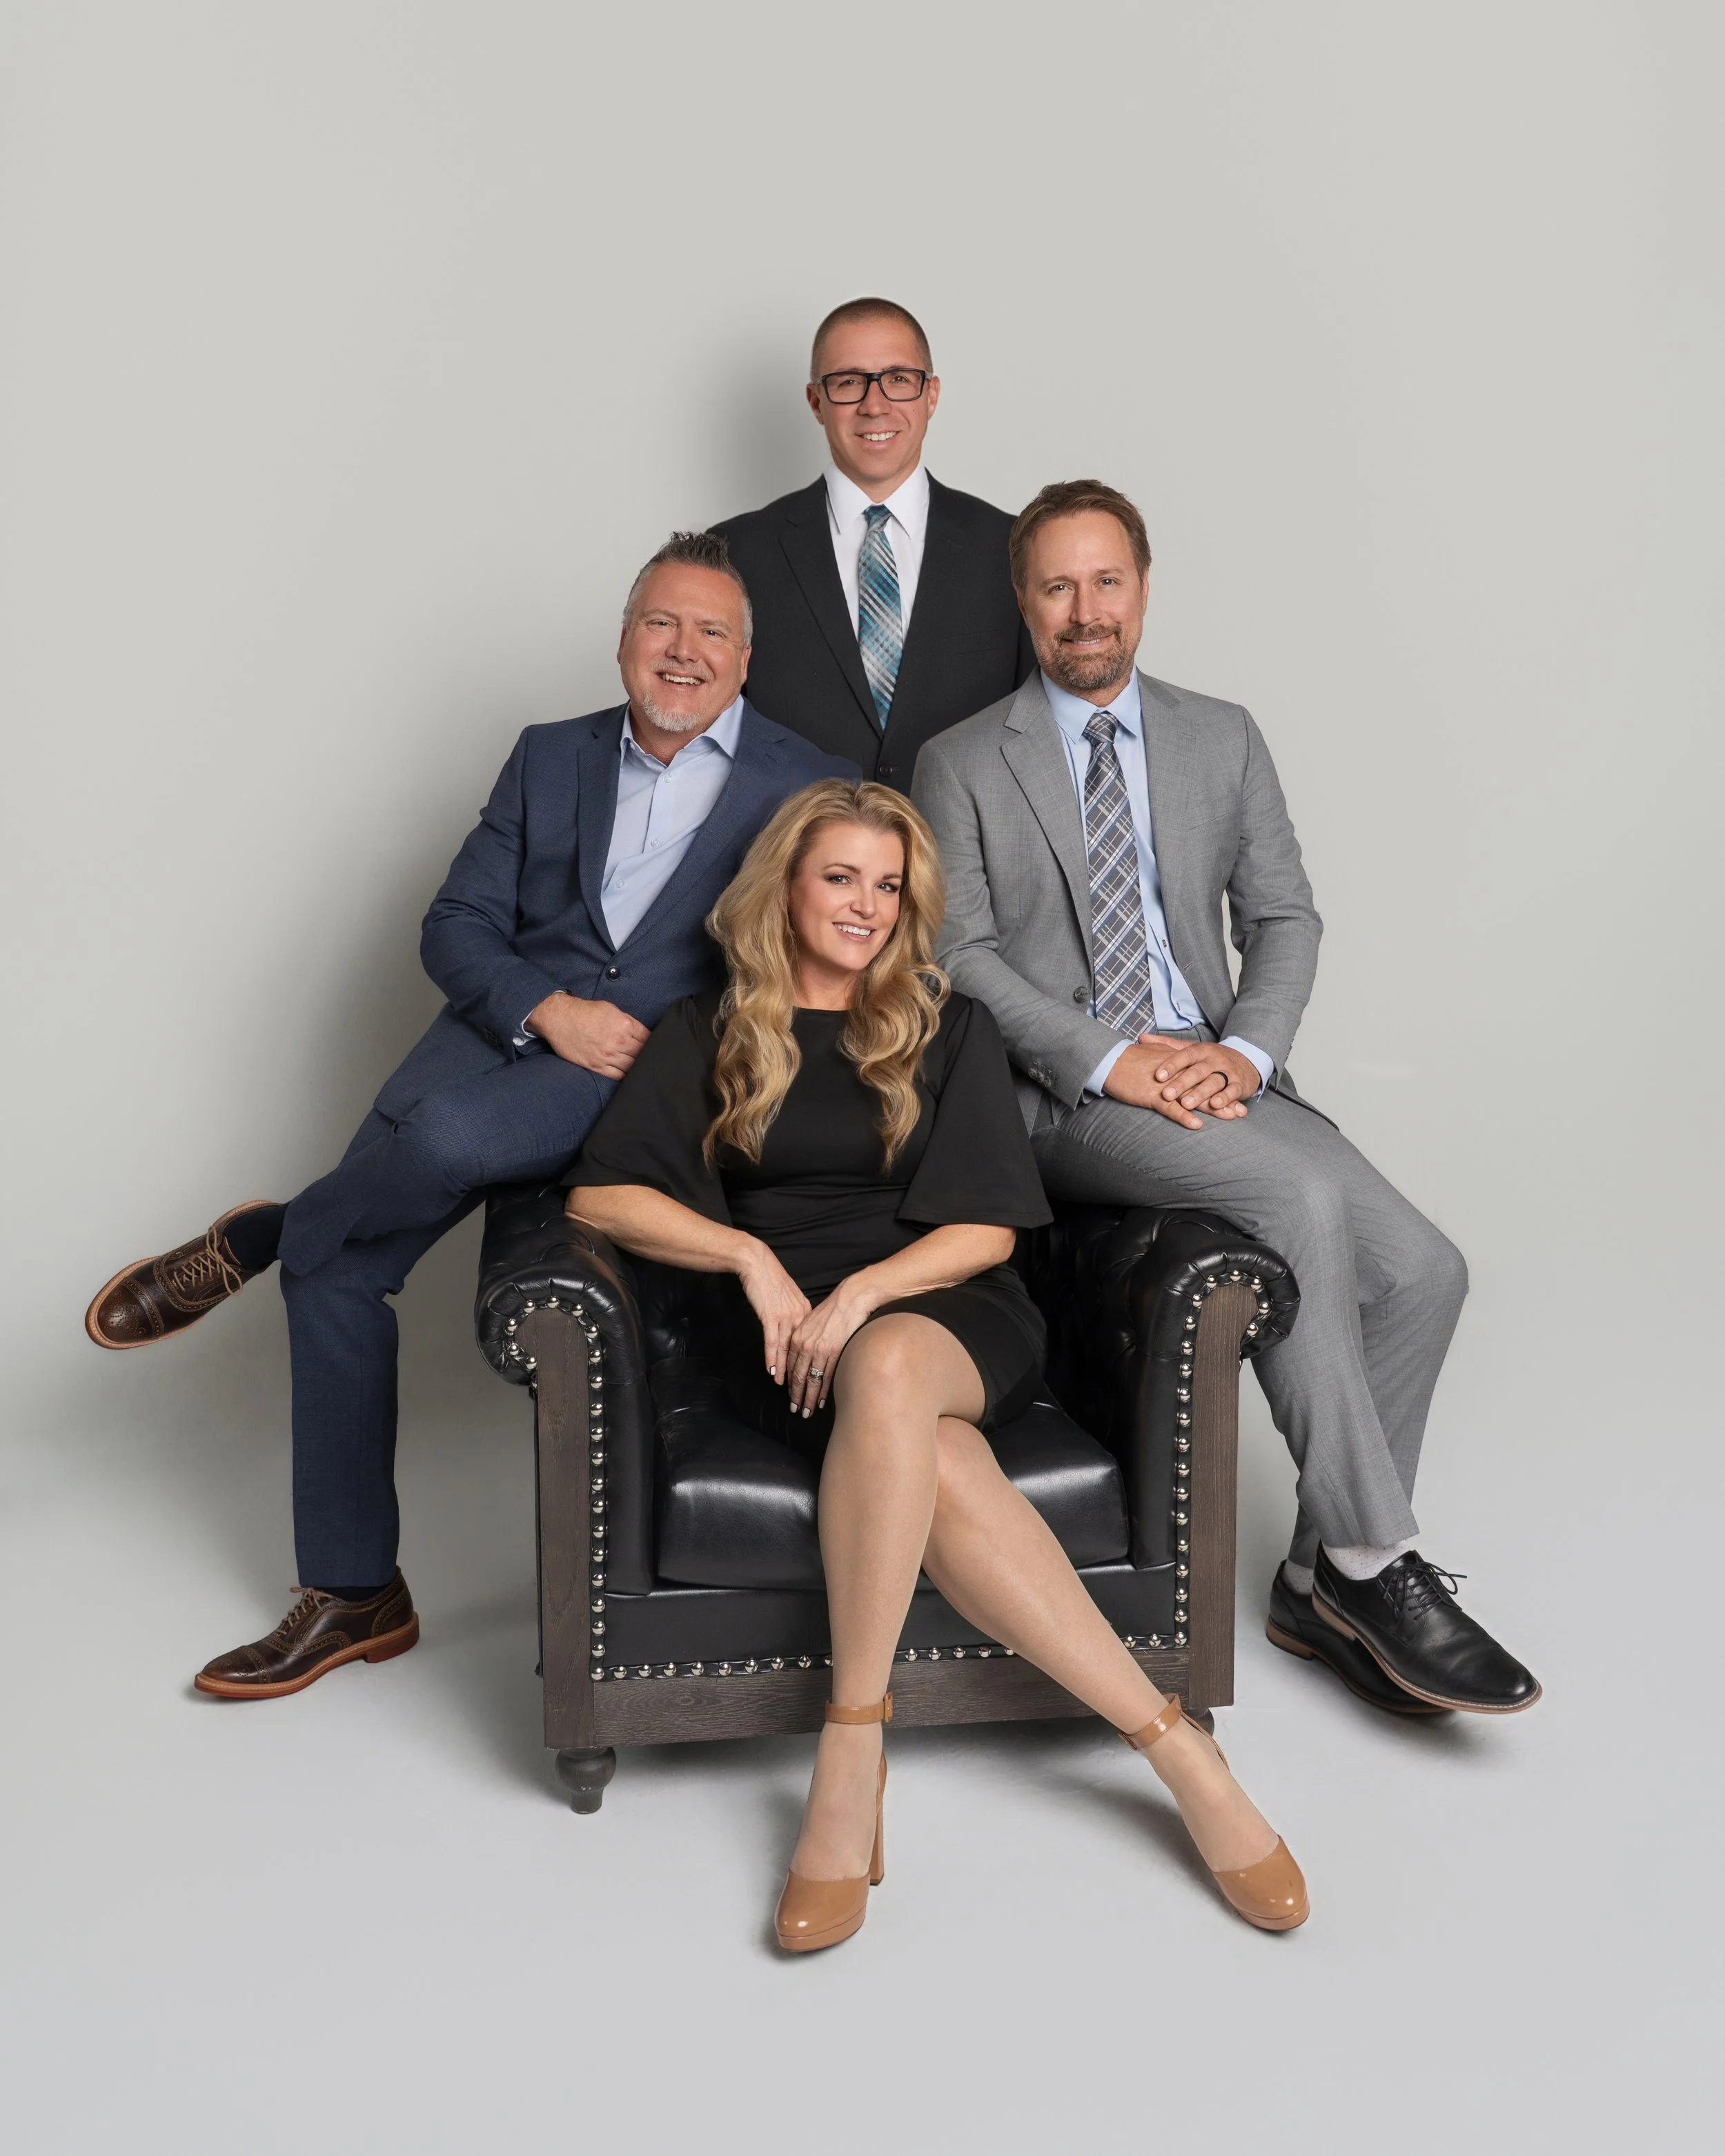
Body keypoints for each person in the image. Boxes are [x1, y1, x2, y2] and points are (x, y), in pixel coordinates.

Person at [85, 532, 856, 1699]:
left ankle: (255, 1235)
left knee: (430, 1154)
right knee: (337, 1274)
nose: (682, 650)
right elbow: (453, 926)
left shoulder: (806, 784)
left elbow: (808, 969)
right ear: (624, 641)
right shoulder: (550, 757)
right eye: (661, 624)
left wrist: (660, 1050)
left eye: (710, 632)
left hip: (650, 1073)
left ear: (747, 659)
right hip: (499, 1036)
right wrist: (546, 1007)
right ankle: (355, 1596)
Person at [567, 779, 1307, 1948]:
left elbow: (990, 1229)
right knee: (937, 1460)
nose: (866, 904)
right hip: (796, 1349)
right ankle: (1180, 1754)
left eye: (888, 883)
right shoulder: (712, 1030)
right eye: (841, 876)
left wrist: (863, 1289)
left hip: (952, 1313)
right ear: (787, 885)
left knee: (899, 1369)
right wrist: (752, 1260)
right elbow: (603, 1193)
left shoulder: (940, 1022)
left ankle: (851, 1741)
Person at [913, 480, 1541, 1719]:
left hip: (1222, 1068)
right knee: (1299, 1193)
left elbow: (1285, 916)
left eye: (1106, 583)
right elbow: (961, 959)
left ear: (1142, 589)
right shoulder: (963, 760)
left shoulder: (1222, 736)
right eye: (1057, 587)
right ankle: (1378, 1561)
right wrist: (1110, 1058)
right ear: (1023, 603)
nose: (1083, 612)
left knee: (1426, 1270)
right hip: (1070, 1101)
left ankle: (1310, 1581)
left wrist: (1242, 1056)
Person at [712, 297, 1034, 789]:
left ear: (932, 394)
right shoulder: (736, 552)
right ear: (816, 401)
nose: (875, 404)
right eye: (848, 382)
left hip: (965, 859)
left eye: (899, 379)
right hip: (791, 857)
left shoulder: (1012, 548)